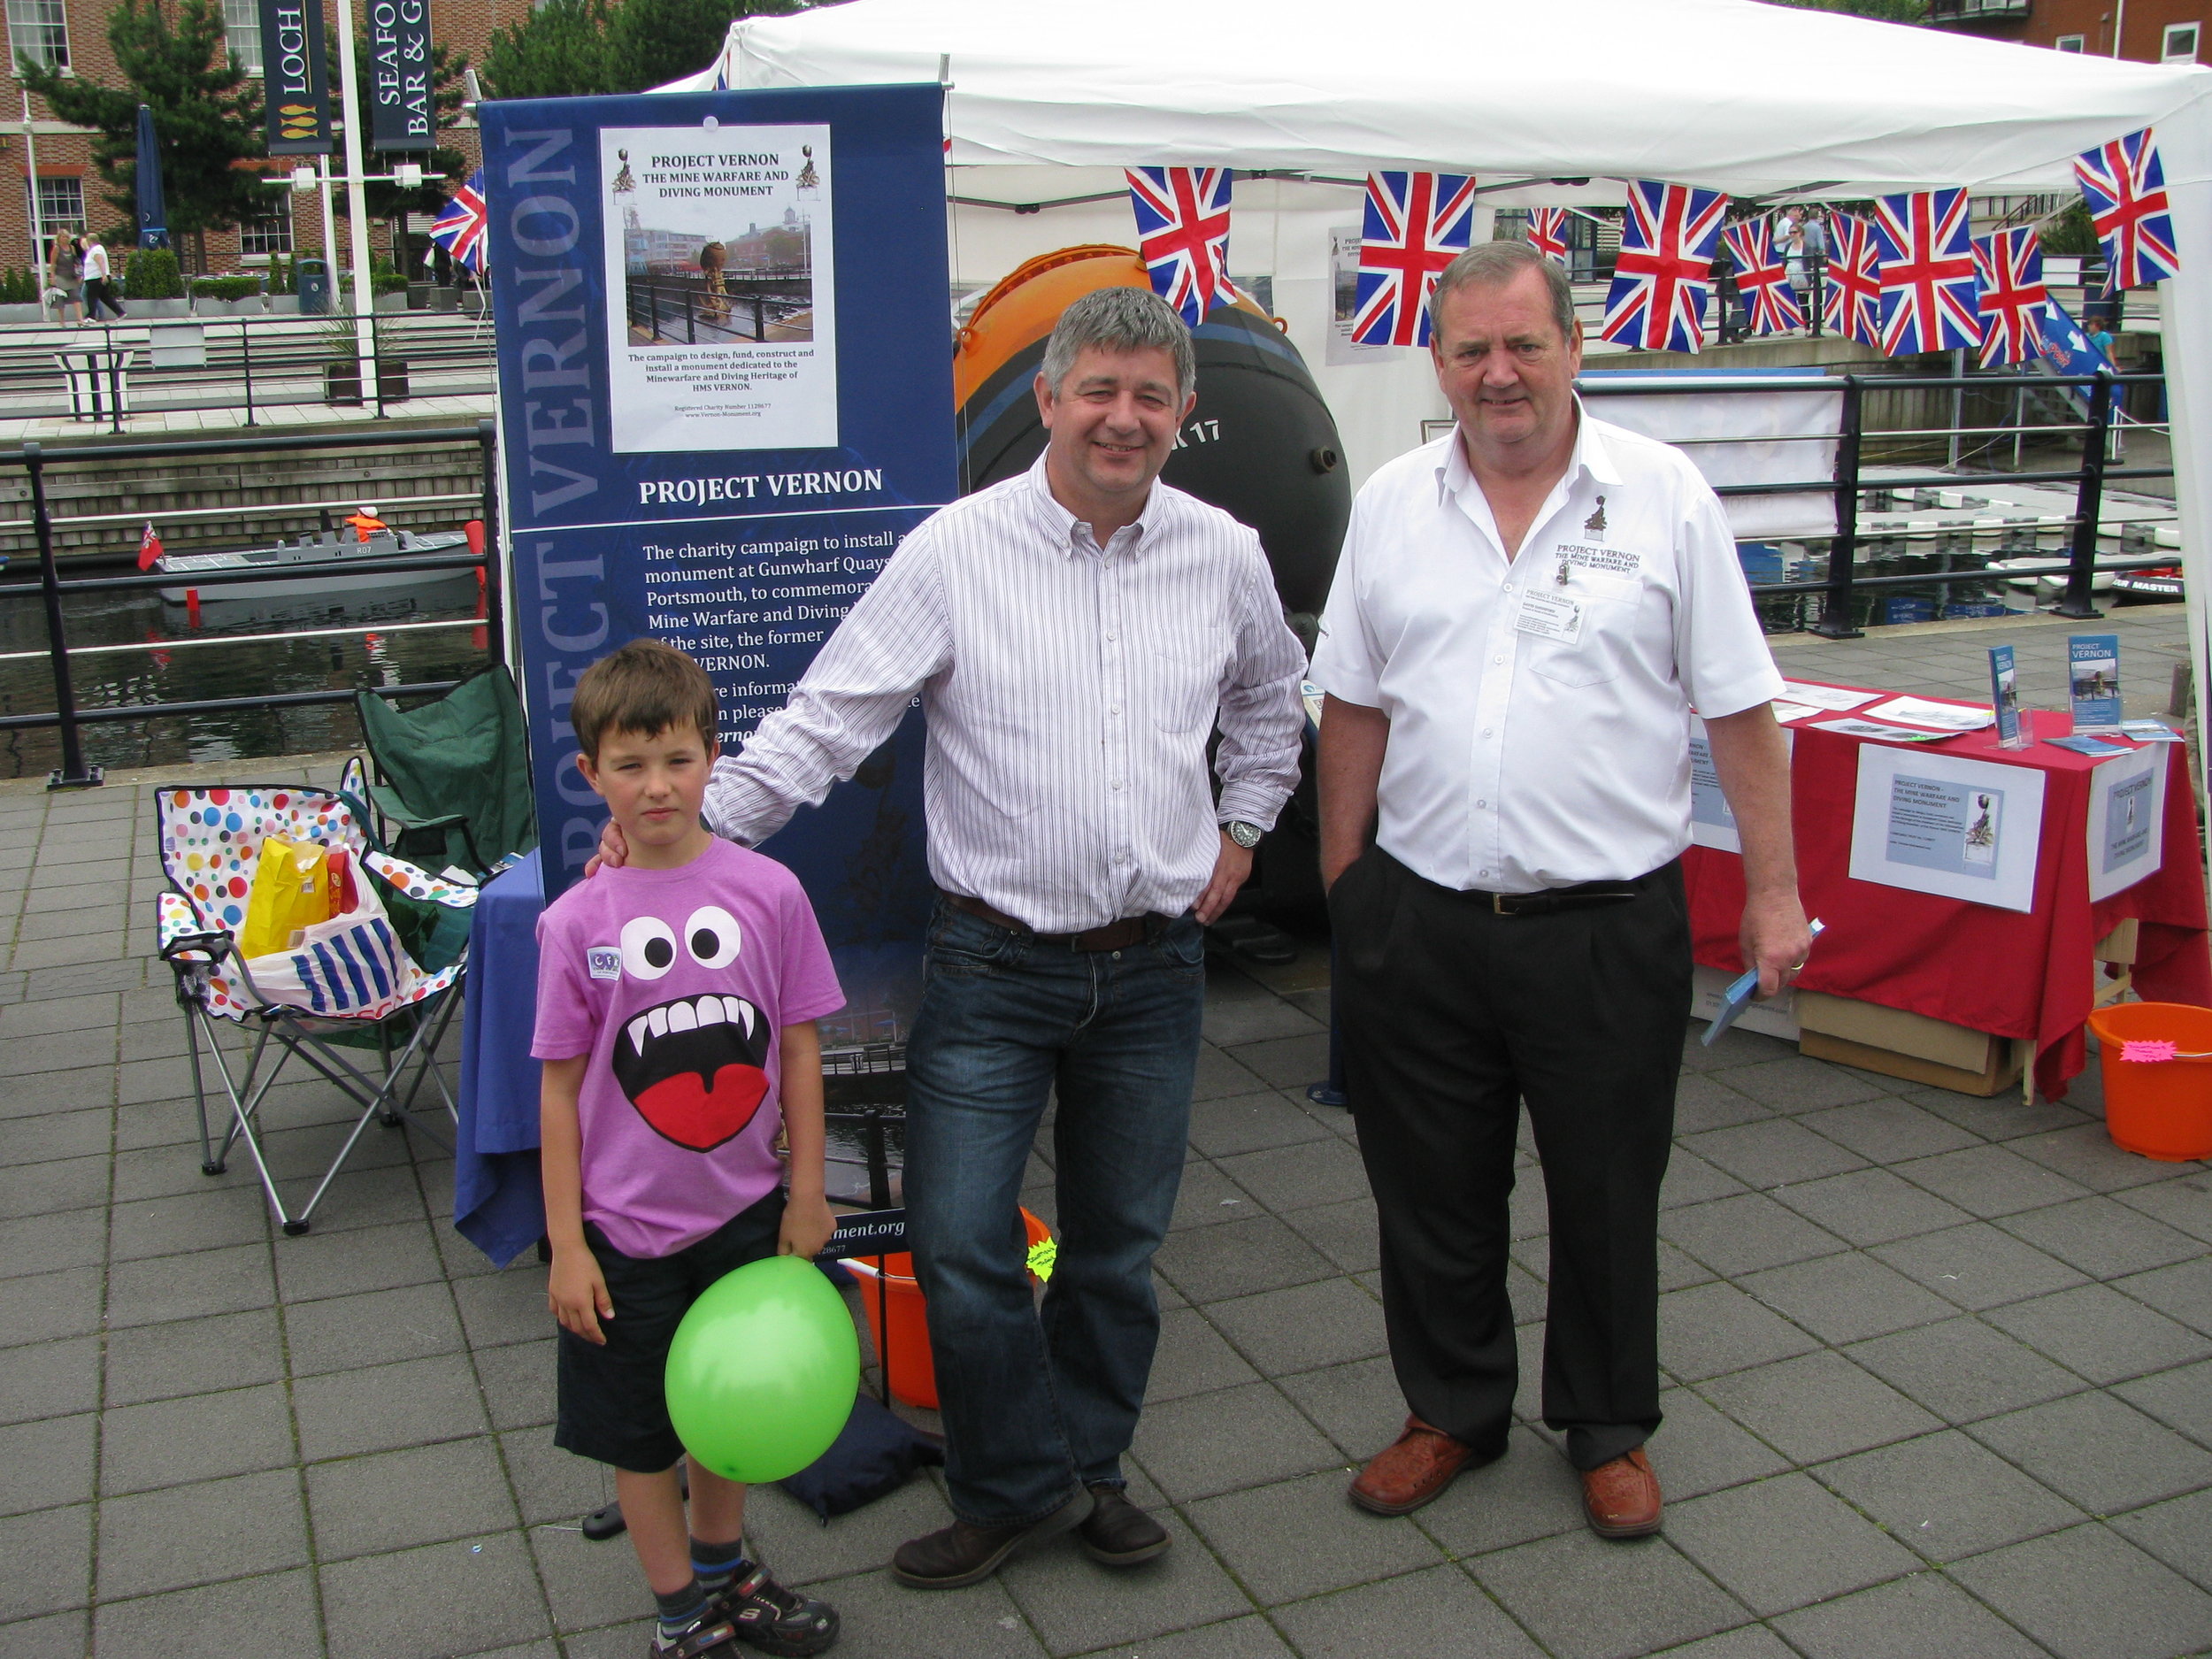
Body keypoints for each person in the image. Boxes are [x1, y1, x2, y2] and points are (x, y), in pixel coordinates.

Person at [595, 285, 1307, 1588]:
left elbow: (1273, 701)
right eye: (1099, 389)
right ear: (1047, 398)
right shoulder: (954, 551)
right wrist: (677, 830)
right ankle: (1012, 1482)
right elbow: (827, 721)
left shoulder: (1228, 553)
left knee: (1116, 1251)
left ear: (1184, 412)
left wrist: (1246, 826)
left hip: (1154, 968)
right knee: (965, 1244)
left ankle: (1088, 1471)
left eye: (1152, 395)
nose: (1123, 417)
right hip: (993, 961)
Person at [1311, 241, 1809, 1540]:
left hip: (1603, 926)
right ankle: (1453, 1409)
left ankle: (1607, 1423)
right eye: (1471, 350)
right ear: (1440, 363)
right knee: (1429, 1188)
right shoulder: (1392, 504)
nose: (1499, 374)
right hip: (1420, 918)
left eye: (1523, 344)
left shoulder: (1665, 496)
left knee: (1605, 1188)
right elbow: (1351, 700)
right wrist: (1346, 884)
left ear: (1574, 348)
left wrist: (1776, 893)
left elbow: (1745, 711)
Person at [535, 640, 845, 1658]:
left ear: (714, 756)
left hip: (746, 1212)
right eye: (629, 766)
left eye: (676, 759)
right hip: (623, 1238)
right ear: (591, 777)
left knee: (730, 1405)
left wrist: (807, 1192)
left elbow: (798, 1048)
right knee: (639, 1434)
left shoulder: (770, 894)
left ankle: (727, 1573)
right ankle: (680, 1614)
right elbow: (560, 1089)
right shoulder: (575, 921)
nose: (656, 786)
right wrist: (568, 1245)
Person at [78, 234, 124, 320]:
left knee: (91, 297)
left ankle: (91, 316)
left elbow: (100, 261)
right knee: (104, 297)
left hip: (96, 278)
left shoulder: (96, 250)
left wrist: (103, 275)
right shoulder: (97, 249)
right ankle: (120, 313)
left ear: (89, 241)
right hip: (96, 277)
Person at [45, 233, 81, 326]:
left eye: (67, 237)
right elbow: (53, 264)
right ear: (59, 238)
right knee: (60, 299)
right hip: (60, 275)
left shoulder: (72, 248)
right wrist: (52, 277)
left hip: (71, 276)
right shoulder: (56, 249)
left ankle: (80, 320)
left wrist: (78, 273)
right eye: (63, 236)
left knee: (76, 297)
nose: (65, 238)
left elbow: (75, 260)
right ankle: (62, 321)